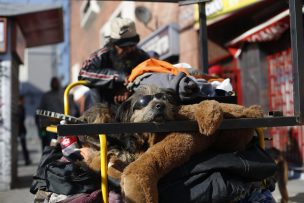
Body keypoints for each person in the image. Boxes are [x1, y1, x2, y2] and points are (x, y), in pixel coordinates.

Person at [78, 17, 150, 112]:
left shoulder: (143, 56)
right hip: (102, 112)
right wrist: (119, 77)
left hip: (134, 111)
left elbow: (151, 78)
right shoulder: (101, 56)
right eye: (123, 47)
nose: (129, 50)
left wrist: (129, 90)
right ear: (113, 44)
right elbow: (83, 74)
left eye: (132, 45)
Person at [36, 77, 64, 150]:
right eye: (53, 82)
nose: (55, 84)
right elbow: (40, 111)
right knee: (51, 145)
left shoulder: (63, 94)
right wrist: (41, 126)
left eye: (56, 82)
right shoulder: (46, 96)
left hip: (61, 125)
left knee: (62, 145)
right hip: (49, 126)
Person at [18, 95, 31, 165]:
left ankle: (27, 160)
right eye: (23, 100)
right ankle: (27, 160)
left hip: (21, 130)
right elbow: (20, 119)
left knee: (24, 146)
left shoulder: (22, 108)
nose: (24, 101)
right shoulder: (19, 108)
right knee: (23, 146)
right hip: (19, 130)